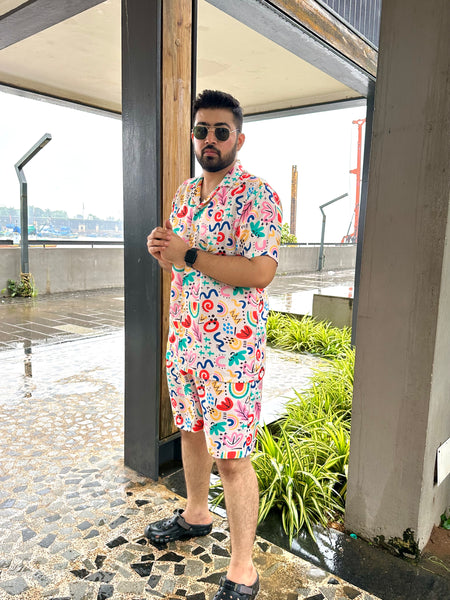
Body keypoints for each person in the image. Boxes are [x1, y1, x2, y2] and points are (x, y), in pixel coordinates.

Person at [146, 89, 282, 600]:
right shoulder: (185, 194)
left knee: (233, 457)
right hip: (184, 340)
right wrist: (165, 251)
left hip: (232, 353)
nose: (210, 139)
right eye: (202, 130)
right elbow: (182, 260)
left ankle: (243, 569)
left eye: (221, 131)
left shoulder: (258, 195)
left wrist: (189, 254)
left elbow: (260, 271)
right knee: (191, 433)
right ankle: (197, 513)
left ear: (238, 139)